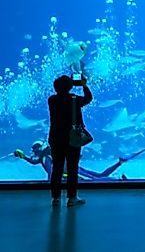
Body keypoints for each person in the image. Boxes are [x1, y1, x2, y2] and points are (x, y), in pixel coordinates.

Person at [48, 74, 93, 207]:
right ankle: (72, 198)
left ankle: (55, 198)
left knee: (57, 168)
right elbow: (88, 99)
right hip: (72, 137)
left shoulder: (51, 100)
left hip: (55, 137)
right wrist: (84, 85)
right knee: (72, 168)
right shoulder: (74, 99)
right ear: (71, 86)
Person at [15, 141, 145, 180]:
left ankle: (119, 179)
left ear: (38, 150)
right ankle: (119, 163)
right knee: (100, 175)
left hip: (71, 172)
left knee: (96, 180)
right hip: (73, 168)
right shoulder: (46, 156)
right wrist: (23, 156)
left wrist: (50, 185)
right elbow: (33, 162)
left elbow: (51, 173)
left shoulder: (45, 158)